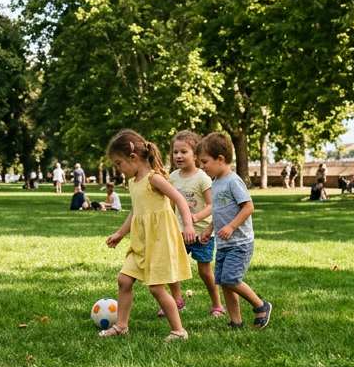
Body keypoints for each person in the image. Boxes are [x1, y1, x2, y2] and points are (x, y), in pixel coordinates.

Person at [99, 129, 197, 341]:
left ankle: (179, 331)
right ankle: (121, 326)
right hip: (141, 242)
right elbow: (136, 212)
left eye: (119, 163)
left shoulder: (154, 179)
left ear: (133, 157)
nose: (118, 169)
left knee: (156, 288)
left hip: (160, 241)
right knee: (124, 280)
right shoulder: (134, 183)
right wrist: (120, 234)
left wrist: (188, 226)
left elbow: (180, 200)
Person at [198, 132, 273, 330]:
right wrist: (209, 229)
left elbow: (248, 207)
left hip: (240, 243)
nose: (201, 166)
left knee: (231, 279)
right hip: (224, 243)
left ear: (220, 159)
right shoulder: (215, 182)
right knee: (223, 282)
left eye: (204, 162)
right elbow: (219, 211)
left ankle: (260, 305)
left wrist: (231, 227)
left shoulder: (233, 181)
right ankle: (236, 321)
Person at [167, 130, 224, 319]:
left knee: (204, 271)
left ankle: (217, 305)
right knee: (172, 267)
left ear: (196, 155)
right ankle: (176, 301)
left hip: (202, 234)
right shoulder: (173, 177)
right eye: (175, 152)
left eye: (184, 151)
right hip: (178, 232)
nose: (178, 156)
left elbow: (212, 205)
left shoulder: (203, 178)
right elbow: (170, 205)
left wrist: (197, 217)